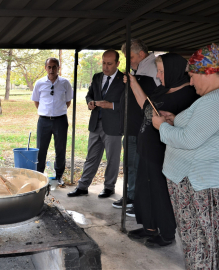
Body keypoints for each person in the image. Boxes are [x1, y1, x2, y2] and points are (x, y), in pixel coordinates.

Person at [152, 43, 219, 267]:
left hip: (198, 184)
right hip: (193, 181)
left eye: (192, 76)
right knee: (197, 240)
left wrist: (161, 126)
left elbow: (189, 140)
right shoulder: (210, 100)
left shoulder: (214, 101)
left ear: (209, 72)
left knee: (199, 241)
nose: (190, 82)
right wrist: (174, 120)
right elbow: (200, 131)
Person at [125, 53, 199, 247]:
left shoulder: (189, 95)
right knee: (144, 190)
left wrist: (174, 119)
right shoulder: (163, 90)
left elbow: (189, 127)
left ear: (174, 70)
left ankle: (166, 234)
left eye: (161, 71)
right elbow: (146, 107)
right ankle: (149, 227)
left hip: (164, 153)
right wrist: (133, 83)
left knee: (160, 193)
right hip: (147, 149)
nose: (158, 75)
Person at [68, 50, 125, 198]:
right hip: (95, 124)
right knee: (91, 156)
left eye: (109, 64)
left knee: (112, 158)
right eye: (104, 63)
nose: (105, 67)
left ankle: (109, 187)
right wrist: (90, 103)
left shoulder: (124, 79)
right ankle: (82, 186)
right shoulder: (97, 77)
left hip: (113, 126)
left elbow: (129, 104)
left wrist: (111, 105)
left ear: (118, 63)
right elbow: (89, 95)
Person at [116, 39, 161, 216]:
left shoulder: (153, 68)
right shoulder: (138, 68)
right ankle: (131, 195)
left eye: (130, 57)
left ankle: (139, 200)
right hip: (131, 126)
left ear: (141, 54)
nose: (129, 61)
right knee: (129, 165)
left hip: (143, 128)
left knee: (139, 166)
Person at [31, 57, 73, 187]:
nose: (51, 70)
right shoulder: (39, 83)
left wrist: (57, 113)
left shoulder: (65, 83)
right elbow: (36, 101)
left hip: (60, 120)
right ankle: (40, 177)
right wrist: (46, 112)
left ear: (58, 68)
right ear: (45, 68)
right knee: (41, 149)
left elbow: (68, 101)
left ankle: (59, 176)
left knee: (60, 149)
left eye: (54, 67)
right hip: (43, 121)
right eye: (49, 67)